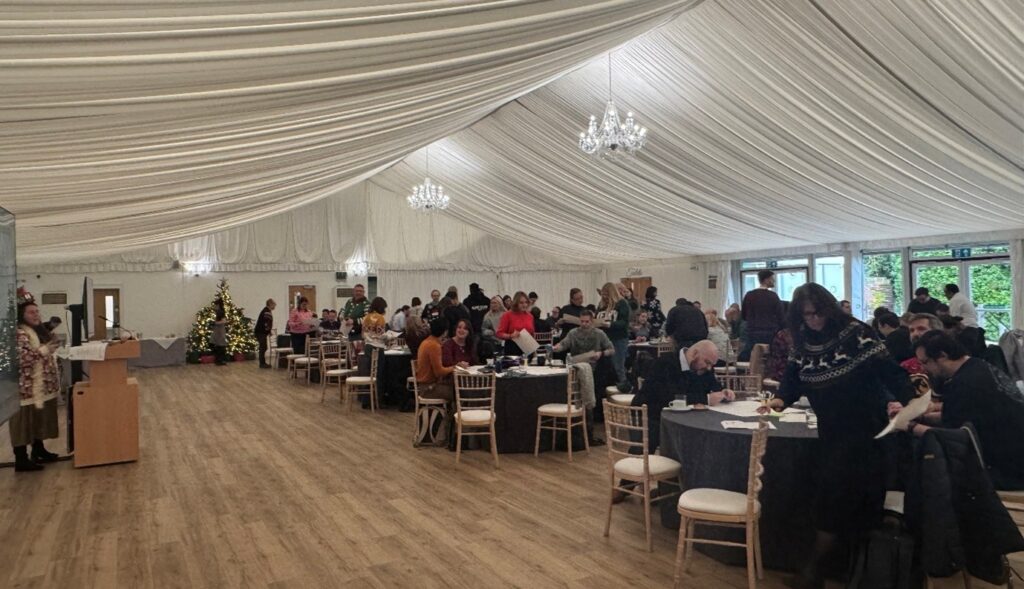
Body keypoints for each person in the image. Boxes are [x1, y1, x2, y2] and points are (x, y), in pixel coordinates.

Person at [761, 283, 913, 588]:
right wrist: (779, 400)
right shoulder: (801, 339)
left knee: (836, 499)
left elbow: (889, 371)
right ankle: (832, 570)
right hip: (830, 429)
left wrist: (910, 399)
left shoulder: (856, 332)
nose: (814, 320)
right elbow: (792, 379)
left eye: (818, 313)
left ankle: (815, 571)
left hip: (864, 427)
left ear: (829, 309)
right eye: (807, 315)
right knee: (832, 498)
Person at [906, 331, 1024, 489]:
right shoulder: (978, 365)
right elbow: (962, 415)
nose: (924, 368)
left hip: (1006, 470)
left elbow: (953, 439)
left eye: (925, 362)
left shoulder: (962, 385)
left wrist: (910, 427)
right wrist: (921, 416)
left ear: (942, 356)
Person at [631, 340, 734, 450]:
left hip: (688, 420)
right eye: (707, 362)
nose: (709, 368)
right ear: (694, 354)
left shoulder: (703, 368)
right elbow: (671, 397)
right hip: (652, 419)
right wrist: (706, 399)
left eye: (711, 365)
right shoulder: (665, 363)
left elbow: (714, 385)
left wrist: (725, 393)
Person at [10, 292, 62, 472]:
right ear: (21, 315)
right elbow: (22, 358)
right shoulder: (17, 333)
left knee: (37, 419)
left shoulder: (37, 331)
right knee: (23, 423)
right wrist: (45, 350)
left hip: (38, 386)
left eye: (37, 312)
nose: (36, 315)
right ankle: (21, 459)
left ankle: (38, 450)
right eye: (31, 312)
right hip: (24, 388)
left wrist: (50, 346)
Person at [740, 270, 785, 361]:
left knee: (751, 358)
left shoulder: (749, 295)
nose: (774, 281)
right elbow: (781, 316)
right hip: (769, 333)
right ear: (766, 280)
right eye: (772, 279)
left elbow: (744, 315)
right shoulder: (773, 296)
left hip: (752, 333)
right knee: (769, 358)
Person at [414, 319, 462, 402]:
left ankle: (451, 414)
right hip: (429, 389)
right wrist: (455, 367)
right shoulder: (434, 346)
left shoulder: (426, 342)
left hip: (424, 386)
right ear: (445, 332)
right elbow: (439, 372)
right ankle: (456, 414)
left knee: (455, 387)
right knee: (460, 391)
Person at [597, 282, 632, 393]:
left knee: (618, 366)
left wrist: (610, 324)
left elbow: (624, 323)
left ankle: (624, 391)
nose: (604, 297)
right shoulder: (601, 305)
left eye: (606, 294)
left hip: (618, 339)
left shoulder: (622, 303)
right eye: (603, 295)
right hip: (603, 340)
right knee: (605, 367)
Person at [496, 291, 535, 355]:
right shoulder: (507, 315)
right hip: (512, 348)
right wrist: (510, 336)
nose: (524, 305)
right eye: (521, 303)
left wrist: (534, 351)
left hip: (528, 347)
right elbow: (499, 333)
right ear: (516, 303)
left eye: (526, 302)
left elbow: (532, 333)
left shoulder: (530, 316)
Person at [254, 298, 276, 368]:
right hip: (261, 332)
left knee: (263, 347)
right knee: (263, 347)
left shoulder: (266, 310)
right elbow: (266, 323)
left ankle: (262, 363)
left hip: (260, 332)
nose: (274, 306)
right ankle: (262, 363)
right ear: (270, 304)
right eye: (274, 305)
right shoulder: (267, 312)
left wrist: (268, 331)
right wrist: (268, 331)